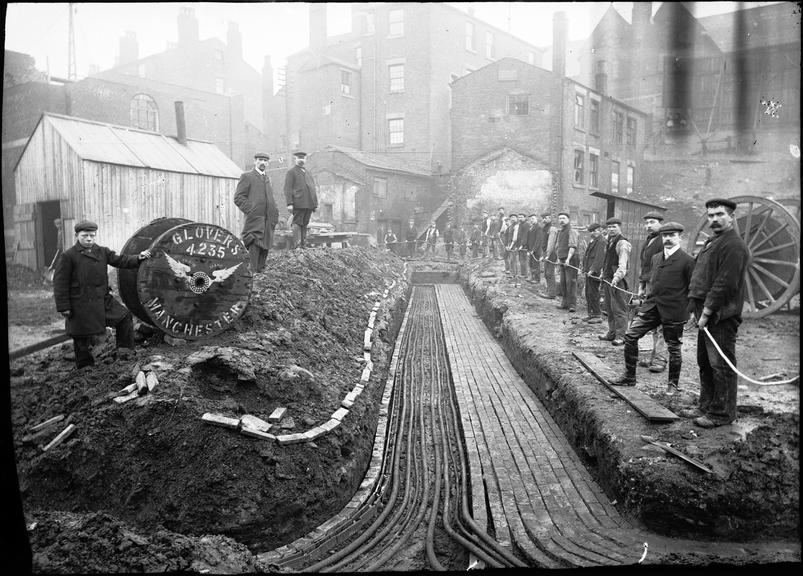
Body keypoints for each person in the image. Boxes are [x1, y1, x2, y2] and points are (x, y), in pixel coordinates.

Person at [53, 220, 152, 369]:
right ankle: (85, 366)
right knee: (81, 335)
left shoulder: (102, 251)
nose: (89, 239)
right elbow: (60, 283)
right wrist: (63, 307)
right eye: (85, 236)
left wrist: (138, 258)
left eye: (92, 236)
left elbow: (120, 260)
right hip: (80, 303)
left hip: (102, 300)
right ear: (76, 236)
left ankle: (125, 352)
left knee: (124, 317)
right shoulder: (68, 256)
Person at [687, 198, 750, 428]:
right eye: (711, 215)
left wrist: (706, 312)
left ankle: (722, 414)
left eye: (719, 215)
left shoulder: (733, 245)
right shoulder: (713, 242)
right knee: (705, 362)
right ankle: (707, 406)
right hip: (705, 312)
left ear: (731, 216)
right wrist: (695, 310)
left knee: (720, 364)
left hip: (721, 315)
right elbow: (700, 277)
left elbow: (725, 283)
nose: (714, 219)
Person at [612, 222, 695, 394]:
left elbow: (692, 288)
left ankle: (672, 385)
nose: (668, 239)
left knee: (674, 347)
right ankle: (629, 377)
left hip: (674, 310)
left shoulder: (687, 261)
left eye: (672, 235)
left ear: (680, 237)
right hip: (653, 306)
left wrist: (692, 311)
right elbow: (653, 281)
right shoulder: (656, 258)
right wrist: (644, 296)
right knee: (630, 336)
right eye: (665, 236)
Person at [234, 152, 279, 272]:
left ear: (268, 163)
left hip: (268, 220)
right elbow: (238, 197)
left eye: (265, 160)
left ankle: (261, 275)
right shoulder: (247, 177)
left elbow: (271, 199)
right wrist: (251, 209)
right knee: (254, 242)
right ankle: (252, 275)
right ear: (255, 161)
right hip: (254, 220)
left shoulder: (268, 179)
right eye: (260, 160)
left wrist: (275, 213)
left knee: (266, 245)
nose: (263, 162)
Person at [637, 211, 668, 373]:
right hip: (650, 285)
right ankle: (654, 356)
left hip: (663, 287)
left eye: (652, 222)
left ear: (660, 223)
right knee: (654, 322)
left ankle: (661, 360)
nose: (648, 225)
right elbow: (645, 265)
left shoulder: (664, 240)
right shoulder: (649, 240)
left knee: (663, 323)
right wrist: (642, 286)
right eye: (647, 222)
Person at [598, 218, 632, 346]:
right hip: (608, 279)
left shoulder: (622, 243)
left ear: (620, 227)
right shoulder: (609, 241)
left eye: (614, 226)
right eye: (609, 227)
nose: (611, 229)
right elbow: (607, 261)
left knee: (619, 309)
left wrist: (616, 279)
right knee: (610, 308)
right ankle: (612, 333)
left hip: (618, 280)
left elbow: (623, 265)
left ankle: (621, 336)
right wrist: (603, 274)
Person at [283, 151, 318, 249]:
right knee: (297, 224)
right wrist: (289, 203)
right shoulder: (291, 172)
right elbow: (287, 188)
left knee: (305, 224)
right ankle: (297, 246)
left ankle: (303, 245)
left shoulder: (308, 172)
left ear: (305, 159)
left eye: (303, 158)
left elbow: (312, 188)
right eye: (299, 158)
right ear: (295, 159)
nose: (301, 160)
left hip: (309, 204)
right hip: (298, 203)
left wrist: (315, 204)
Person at [555, 211, 580, 313]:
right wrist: (558, 259)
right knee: (563, 282)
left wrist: (568, 259)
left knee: (571, 282)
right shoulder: (561, 231)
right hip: (562, 259)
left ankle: (572, 305)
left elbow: (573, 246)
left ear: (568, 220)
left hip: (571, 260)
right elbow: (559, 247)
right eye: (560, 218)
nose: (561, 220)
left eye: (564, 218)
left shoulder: (572, 231)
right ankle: (564, 303)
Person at [582, 222, 606, 324]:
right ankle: (591, 314)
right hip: (589, 271)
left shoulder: (601, 241)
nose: (594, 232)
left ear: (600, 230)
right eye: (592, 231)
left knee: (594, 292)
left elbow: (599, 258)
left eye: (595, 230)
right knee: (589, 293)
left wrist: (592, 269)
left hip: (594, 272)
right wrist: (584, 268)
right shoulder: (593, 240)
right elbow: (587, 255)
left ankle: (597, 315)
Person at [539, 211, 559, 299]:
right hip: (546, 253)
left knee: (549, 273)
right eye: (543, 218)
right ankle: (549, 291)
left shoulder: (552, 229)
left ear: (550, 218)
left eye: (546, 218)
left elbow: (551, 243)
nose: (544, 219)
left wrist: (547, 255)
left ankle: (552, 294)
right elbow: (543, 242)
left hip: (551, 253)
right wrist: (543, 254)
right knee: (546, 273)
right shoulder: (544, 228)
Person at [525, 213, 543, 284]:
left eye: (533, 219)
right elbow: (528, 239)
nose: (531, 220)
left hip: (536, 250)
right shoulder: (530, 227)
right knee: (531, 264)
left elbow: (538, 240)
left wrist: (533, 250)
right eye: (530, 219)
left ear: (536, 219)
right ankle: (532, 277)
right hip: (530, 250)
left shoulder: (539, 228)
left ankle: (537, 279)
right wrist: (528, 249)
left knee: (536, 265)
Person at [516, 213, 529, 281]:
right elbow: (519, 236)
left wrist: (522, 245)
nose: (520, 218)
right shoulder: (520, 224)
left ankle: (525, 274)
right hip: (519, 245)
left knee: (523, 260)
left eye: (521, 217)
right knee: (521, 260)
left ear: (524, 217)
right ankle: (522, 273)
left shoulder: (526, 224)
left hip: (524, 246)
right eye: (519, 217)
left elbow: (525, 236)